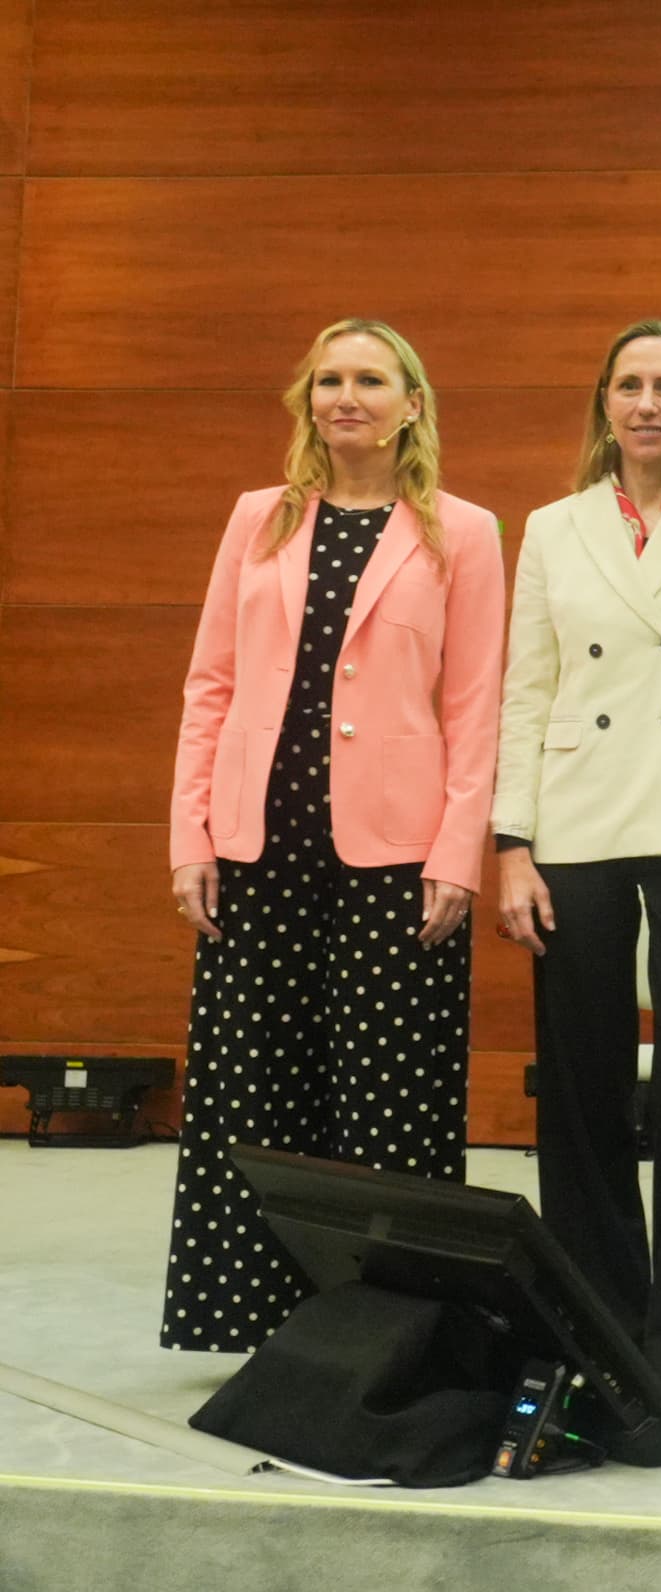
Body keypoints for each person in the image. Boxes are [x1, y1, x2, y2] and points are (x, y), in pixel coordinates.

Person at [162, 319, 505, 1352]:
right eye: (327, 379)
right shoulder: (258, 520)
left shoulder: (464, 532)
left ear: (413, 404)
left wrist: (457, 854)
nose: (345, 396)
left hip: (395, 860)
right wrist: (191, 834)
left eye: (369, 379)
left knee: (386, 1101)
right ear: (306, 399)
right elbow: (210, 685)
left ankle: (391, 1331)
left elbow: (475, 705)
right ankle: (254, 1325)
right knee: (253, 1091)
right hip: (258, 847)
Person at [493, 321, 661, 1414]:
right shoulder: (554, 527)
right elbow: (525, 688)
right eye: (631, 385)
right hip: (575, 827)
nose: (649, 404)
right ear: (602, 402)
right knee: (584, 1089)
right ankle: (599, 1316)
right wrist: (511, 846)